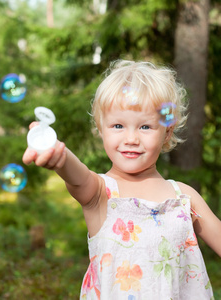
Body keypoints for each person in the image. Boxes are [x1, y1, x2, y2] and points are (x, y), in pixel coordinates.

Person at [23, 60, 221, 299]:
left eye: (145, 127)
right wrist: (60, 156)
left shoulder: (184, 197)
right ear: (101, 128)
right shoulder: (100, 193)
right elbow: (78, 177)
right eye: (118, 125)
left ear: (167, 132)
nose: (131, 138)